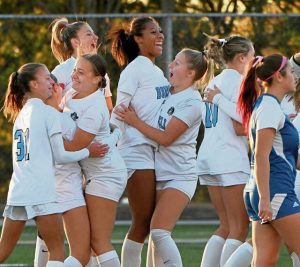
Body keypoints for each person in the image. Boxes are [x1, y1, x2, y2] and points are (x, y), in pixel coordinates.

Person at [115, 48, 212, 267]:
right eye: (173, 62)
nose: (170, 66)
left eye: (177, 63)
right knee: (154, 237)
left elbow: (166, 138)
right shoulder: (167, 93)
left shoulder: (192, 102)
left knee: (159, 231)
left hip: (181, 176)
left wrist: (134, 121)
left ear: (191, 72)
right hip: (161, 173)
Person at [0, 63, 103, 267]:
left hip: (18, 191)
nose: (52, 82)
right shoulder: (48, 114)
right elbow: (61, 156)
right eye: (47, 78)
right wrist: (88, 151)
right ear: (33, 83)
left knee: (3, 249)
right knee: (57, 251)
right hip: (41, 192)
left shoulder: (21, 115)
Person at [223, 54, 300, 267]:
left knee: (264, 261)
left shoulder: (270, 106)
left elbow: (288, 156)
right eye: (291, 72)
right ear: (279, 77)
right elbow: (260, 155)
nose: (295, 76)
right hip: (274, 193)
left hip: (268, 192)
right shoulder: (269, 108)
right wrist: (265, 199)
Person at [108, 16, 169, 267]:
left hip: (155, 150)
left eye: (161, 31)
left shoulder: (156, 70)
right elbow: (120, 112)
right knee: (143, 221)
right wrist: (109, 146)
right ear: (137, 38)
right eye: (153, 32)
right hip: (135, 150)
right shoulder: (133, 70)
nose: (160, 36)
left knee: (155, 222)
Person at [62, 54, 127, 267]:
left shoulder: (95, 107)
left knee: (99, 242)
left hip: (106, 175)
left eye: (81, 72)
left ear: (97, 79)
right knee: (86, 245)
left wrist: (47, 143)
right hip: (91, 175)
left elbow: (74, 146)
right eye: (75, 70)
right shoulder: (71, 94)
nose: (75, 76)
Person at [196, 35, 255, 267]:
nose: (254, 61)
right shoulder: (240, 81)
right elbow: (243, 122)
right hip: (229, 158)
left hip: (209, 156)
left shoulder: (214, 82)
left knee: (226, 225)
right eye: (252, 56)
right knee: (239, 227)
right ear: (242, 58)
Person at [50, 17, 113, 113]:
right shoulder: (62, 70)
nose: (96, 37)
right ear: (75, 42)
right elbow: (50, 106)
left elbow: (109, 109)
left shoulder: (100, 71)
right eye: (88, 34)